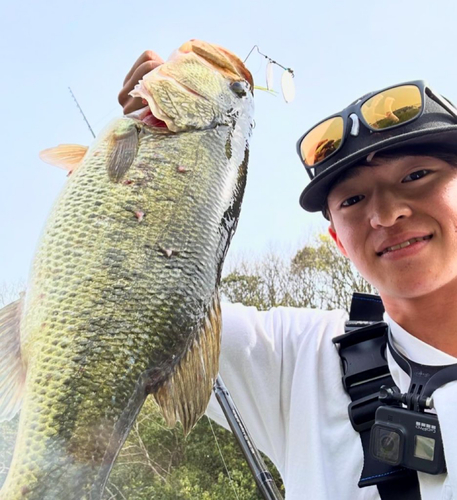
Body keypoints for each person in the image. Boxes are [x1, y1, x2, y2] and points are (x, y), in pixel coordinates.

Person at [120, 53, 457, 500]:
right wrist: (153, 157)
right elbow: (141, 295)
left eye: (416, 175)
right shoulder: (298, 359)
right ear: (338, 240)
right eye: (353, 199)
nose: (386, 213)